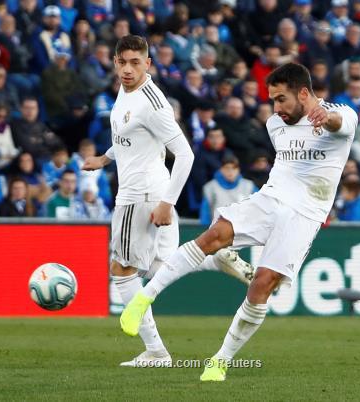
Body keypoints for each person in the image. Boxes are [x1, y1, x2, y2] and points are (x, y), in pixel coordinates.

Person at [119, 62, 358, 381]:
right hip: (270, 198)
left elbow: (339, 124)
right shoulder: (276, 124)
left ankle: (220, 360)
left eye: (282, 99)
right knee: (213, 235)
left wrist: (325, 118)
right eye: (273, 99)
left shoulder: (342, 114)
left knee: (263, 283)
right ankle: (143, 297)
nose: (276, 108)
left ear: (304, 93)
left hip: (305, 214)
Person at [81, 35, 255, 368]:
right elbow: (129, 138)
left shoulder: (152, 102)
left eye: (136, 62)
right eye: (123, 62)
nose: (128, 69)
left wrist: (166, 202)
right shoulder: (125, 91)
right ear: (115, 62)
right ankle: (214, 259)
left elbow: (185, 154)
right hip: (152, 190)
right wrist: (104, 158)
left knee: (122, 270)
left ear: (148, 63)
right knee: (162, 267)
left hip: (142, 195)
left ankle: (156, 352)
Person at [199, 154, 257, 225]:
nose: (230, 171)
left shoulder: (249, 186)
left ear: (238, 170)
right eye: (227, 168)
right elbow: (205, 215)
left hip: (244, 231)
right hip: (217, 232)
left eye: (234, 168)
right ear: (221, 169)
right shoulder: (210, 188)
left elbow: (258, 210)